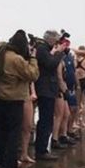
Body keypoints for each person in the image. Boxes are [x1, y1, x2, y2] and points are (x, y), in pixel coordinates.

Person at [0, 30, 39, 168]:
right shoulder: (15, 59)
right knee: (13, 134)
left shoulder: (0, 54)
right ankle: (11, 167)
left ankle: (0, 164)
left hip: (0, 96)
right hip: (13, 98)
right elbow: (33, 74)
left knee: (1, 132)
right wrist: (32, 57)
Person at [34, 30, 65, 160]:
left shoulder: (46, 49)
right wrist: (59, 53)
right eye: (56, 40)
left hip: (49, 88)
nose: (57, 43)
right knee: (45, 120)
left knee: (47, 120)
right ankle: (41, 150)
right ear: (50, 39)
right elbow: (51, 64)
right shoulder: (42, 49)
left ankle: (43, 148)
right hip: (44, 89)